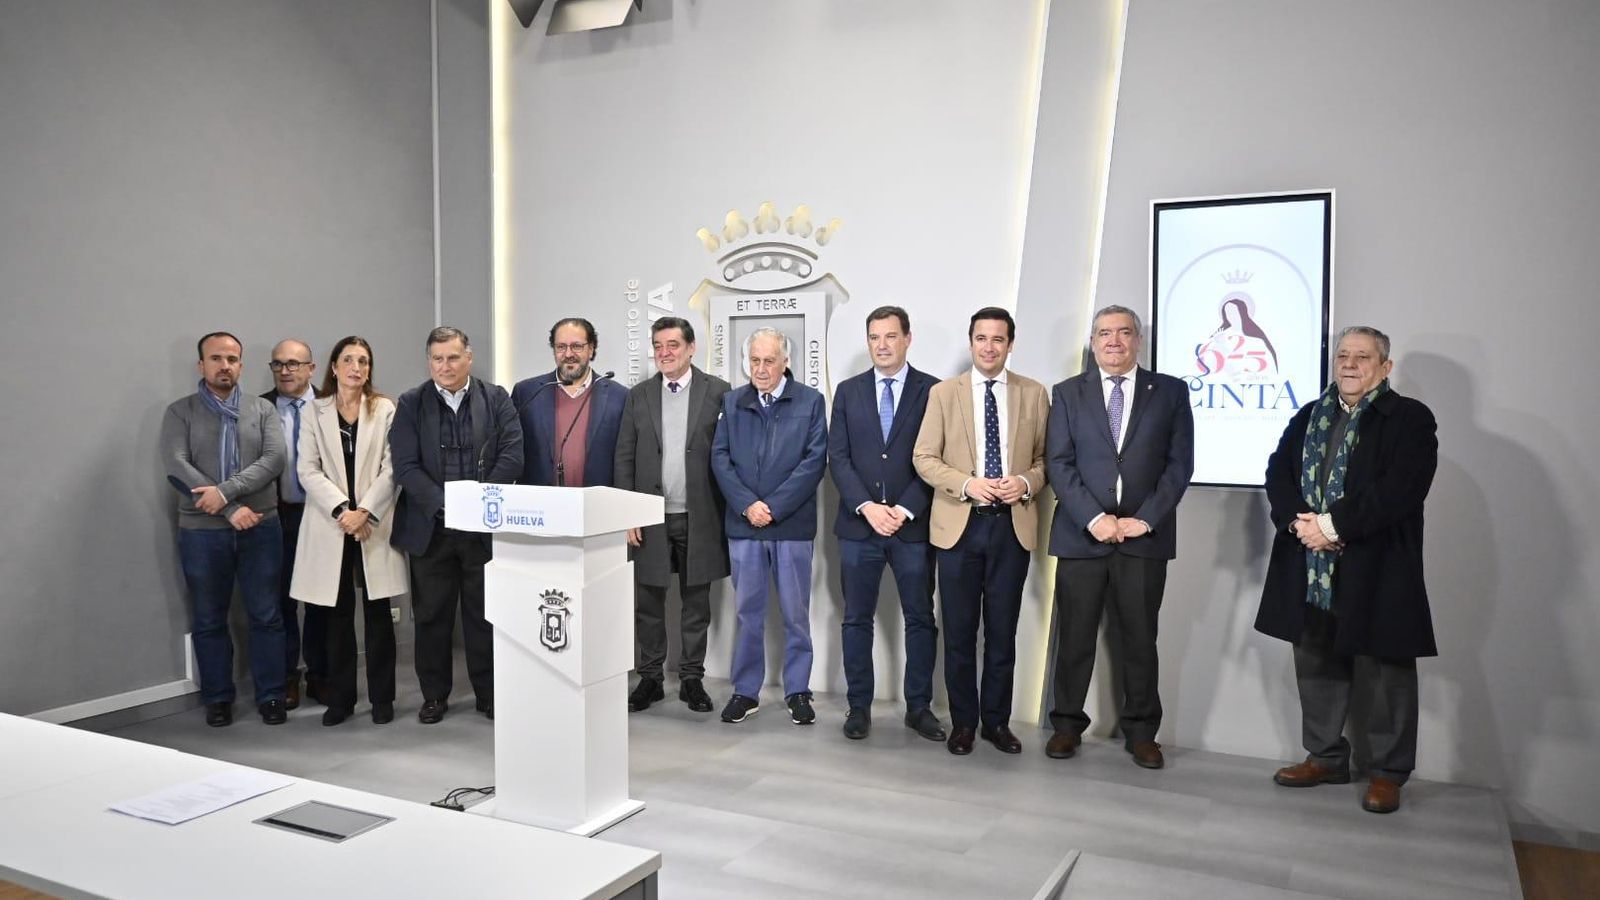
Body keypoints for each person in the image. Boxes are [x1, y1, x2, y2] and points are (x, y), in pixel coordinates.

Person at [1256, 326, 1438, 814]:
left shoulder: (1409, 419)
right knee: (1315, 659)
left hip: (1375, 563)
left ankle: (1387, 773)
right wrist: (1299, 522)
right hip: (1308, 563)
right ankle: (1326, 757)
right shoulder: (1310, 415)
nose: (1350, 364)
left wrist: (1332, 527)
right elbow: (1277, 470)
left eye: (1362, 356)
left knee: (1386, 670)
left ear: (1385, 366)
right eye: (1343, 355)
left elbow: (1400, 489)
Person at [1043, 305, 1194, 769]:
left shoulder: (1169, 391)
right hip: (1081, 537)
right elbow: (1059, 463)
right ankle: (1066, 725)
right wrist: (1094, 518)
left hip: (1143, 539)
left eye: (1124, 333)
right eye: (1104, 333)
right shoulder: (1068, 393)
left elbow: (1178, 465)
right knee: (1075, 637)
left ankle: (1142, 732)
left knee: (1140, 638)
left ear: (1138, 340)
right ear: (1093, 342)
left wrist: (1143, 520)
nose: (1114, 341)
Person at [912, 307, 1047, 756]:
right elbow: (925, 457)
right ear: (971, 342)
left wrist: (1025, 482)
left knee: (1003, 634)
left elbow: (1048, 461)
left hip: (1012, 528)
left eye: (998, 339)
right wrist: (968, 484)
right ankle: (964, 723)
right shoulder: (943, 394)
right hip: (959, 528)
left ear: (1011, 344)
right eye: (981, 338)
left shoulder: (1033, 394)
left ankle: (997, 723)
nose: (989, 347)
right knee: (960, 633)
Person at [390, 326, 523, 724]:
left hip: (482, 528)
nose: (444, 366)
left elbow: (513, 455)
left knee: (485, 616)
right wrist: (446, 504)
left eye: (452, 357)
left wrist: (478, 504)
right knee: (431, 618)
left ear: (469, 357)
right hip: (433, 528)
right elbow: (406, 467)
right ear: (429, 361)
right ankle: (434, 696)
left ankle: (489, 694)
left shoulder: (496, 398)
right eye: (437, 359)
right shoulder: (411, 403)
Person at [828, 306, 945, 742]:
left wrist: (906, 508)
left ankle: (919, 708)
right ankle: (859, 707)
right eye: (875, 337)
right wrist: (866, 506)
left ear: (908, 339)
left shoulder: (933, 390)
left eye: (891, 336)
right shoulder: (848, 391)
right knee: (857, 619)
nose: (882, 345)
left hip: (912, 528)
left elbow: (938, 457)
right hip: (860, 528)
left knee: (920, 619)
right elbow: (837, 457)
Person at [160, 332, 288, 726]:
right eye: (216, 358)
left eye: (232, 359)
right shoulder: (180, 412)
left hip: (261, 527)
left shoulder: (261, 410)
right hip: (202, 533)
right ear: (201, 365)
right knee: (208, 618)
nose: (225, 365)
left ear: (241, 365)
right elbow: (177, 466)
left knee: (266, 614)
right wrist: (230, 509)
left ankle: (271, 696)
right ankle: (217, 698)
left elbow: (274, 459)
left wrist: (227, 492)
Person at [710, 328, 828, 726]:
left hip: (790, 527)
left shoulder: (811, 402)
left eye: (769, 361)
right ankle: (746, 691)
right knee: (747, 613)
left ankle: (798, 691)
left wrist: (773, 508)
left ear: (785, 361)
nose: (761, 369)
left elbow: (813, 463)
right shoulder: (732, 401)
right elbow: (720, 459)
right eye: (755, 361)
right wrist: (747, 506)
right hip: (745, 527)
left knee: (796, 614)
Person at [613, 317, 731, 714]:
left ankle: (692, 679)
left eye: (673, 345)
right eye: (658, 346)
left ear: (691, 348)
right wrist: (628, 512)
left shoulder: (718, 391)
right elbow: (624, 456)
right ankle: (649, 678)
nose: (664, 353)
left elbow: (727, 453)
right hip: (650, 516)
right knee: (648, 600)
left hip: (700, 515)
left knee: (696, 602)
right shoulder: (639, 395)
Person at [290, 337, 409, 726]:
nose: (356, 367)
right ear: (334, 367)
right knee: (336, 618)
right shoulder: (314, 411)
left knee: (379, 618)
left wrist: (365, 512)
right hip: (332, 523)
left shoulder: (385, 409)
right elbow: (307, 469)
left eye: (364, 361)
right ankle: (339, 700)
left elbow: (393, 469)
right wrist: (344, 510)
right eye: (348, 360)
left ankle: (383, 701)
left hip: (372, 523)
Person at [261, 339, 326, 709]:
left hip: (322, 515)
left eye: (294, 364)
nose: (286, 371)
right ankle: (288, 678)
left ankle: (320, 675)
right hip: (276, 515)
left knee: (321, 602)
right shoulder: (258, 408)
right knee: (280, 601)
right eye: (279, 364)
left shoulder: (332, 406)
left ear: (311, 368)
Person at [512, 317, 628, 488]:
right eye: (561, 347)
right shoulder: (527, 392)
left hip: (598, 505)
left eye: (576, 346)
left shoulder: (619, 396)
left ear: (591, 349)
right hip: (539, 506)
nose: (568, 354)